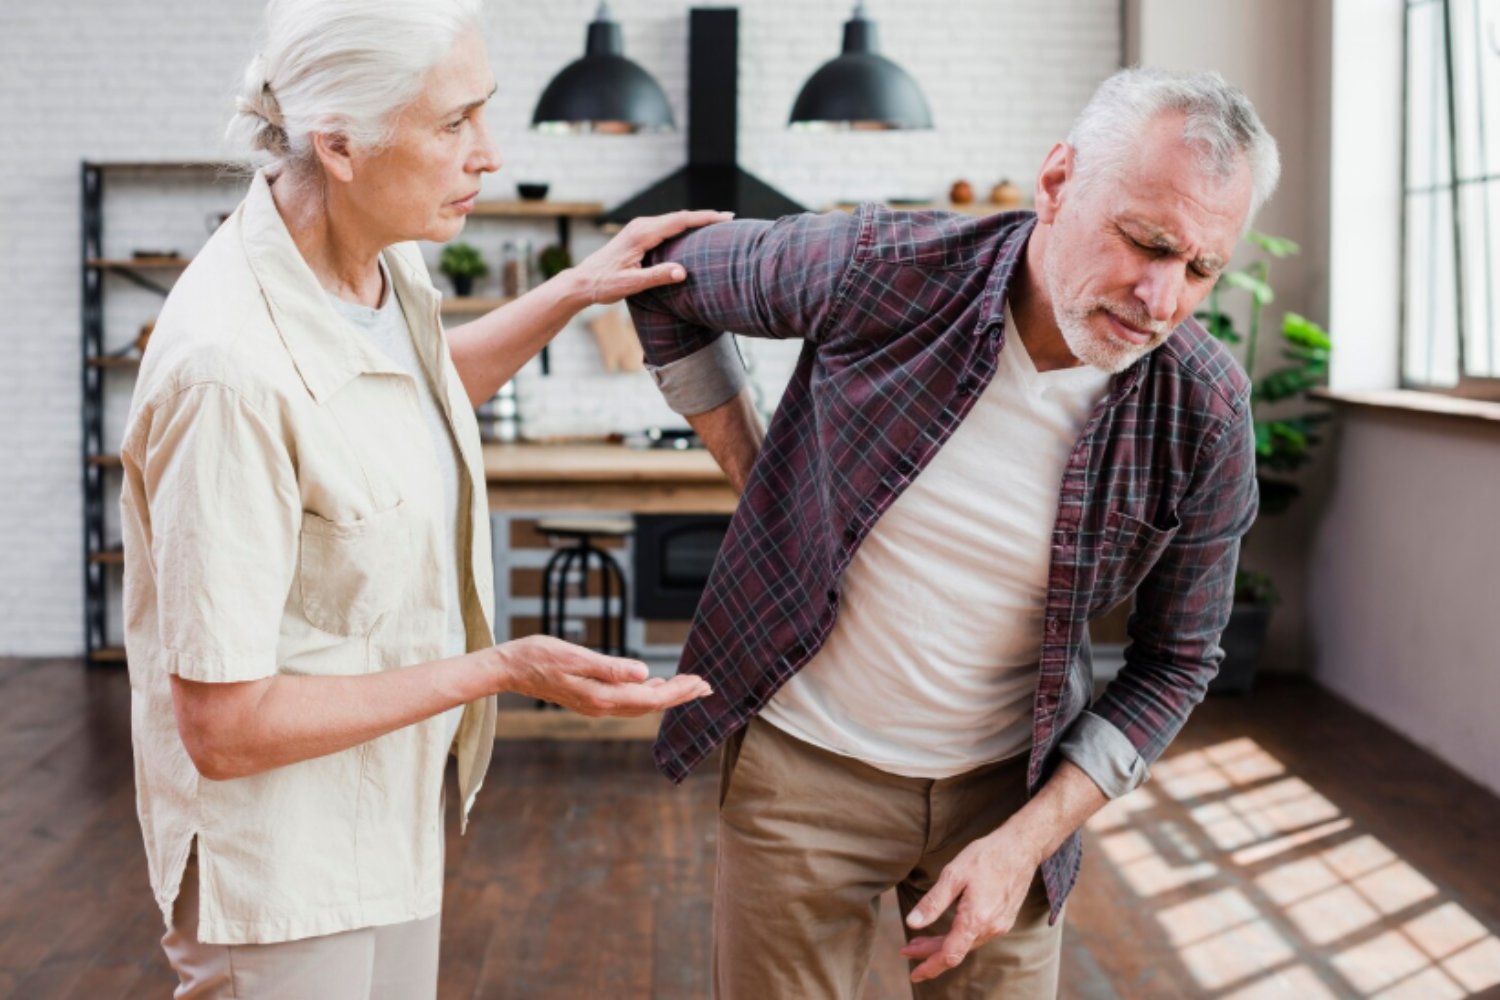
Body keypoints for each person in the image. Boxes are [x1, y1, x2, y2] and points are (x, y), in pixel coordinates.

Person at [627, 67, 1279, 999]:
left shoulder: (1205, 409)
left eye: (1202, 269)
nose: (1161, 297)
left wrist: (1024, 845)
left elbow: (1176, 660)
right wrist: (756, 470)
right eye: (1145, 241)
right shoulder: (882, 266)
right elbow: (666, 280)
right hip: (802, 772)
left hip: (1008, 794)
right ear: (1058, 182)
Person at [119, 1, 720, 996]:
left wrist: (572, 290)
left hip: (388, 816)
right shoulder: (225, 371)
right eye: (453, 124)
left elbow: (413, 388)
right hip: (277, 869)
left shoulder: (377, 264)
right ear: (340, 144)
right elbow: (223, 729)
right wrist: (499, 667)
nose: (487, 153)